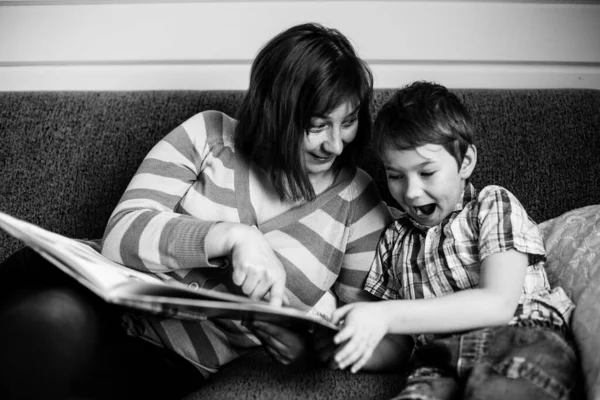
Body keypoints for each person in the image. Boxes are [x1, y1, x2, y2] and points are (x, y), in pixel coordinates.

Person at [0, 23, 412, 400]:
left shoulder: (358, 202)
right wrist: (233, 238)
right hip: (87, 289)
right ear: (276, 112)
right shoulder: (209, 134)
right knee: (52, 317)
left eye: (349, 122)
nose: (335, 145)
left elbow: (381, 330)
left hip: (167, 357)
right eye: (318, 125)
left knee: (58, 341)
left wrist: (310, 350)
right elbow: (121, 234)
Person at [330, 81, 578, 399]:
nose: (412, 191)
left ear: (465, 162)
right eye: (395, 175)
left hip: (519, 338)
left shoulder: (491, 205)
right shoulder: (394, 240)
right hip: (438, 362)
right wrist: (347, 347)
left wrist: (386, 314)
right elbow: (399, 345)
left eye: (427, 173)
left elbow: (499, 303)